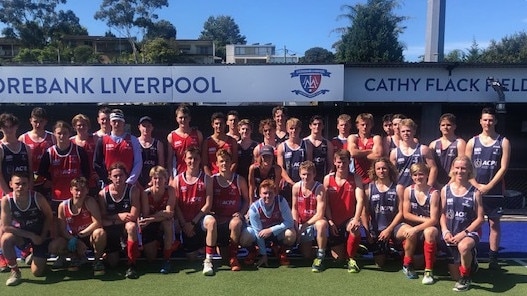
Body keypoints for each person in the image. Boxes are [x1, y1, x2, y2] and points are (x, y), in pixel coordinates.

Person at [465, 107, 510, 270]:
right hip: (474, 190)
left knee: (494, 224)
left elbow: (503, 167)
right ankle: (470, 253)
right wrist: (477, 185)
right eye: (485, 119)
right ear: (480, 121)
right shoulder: (472, 141)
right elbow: (466, 167)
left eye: (491, 120)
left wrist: (489, 186)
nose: (488, 123)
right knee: (471, 222)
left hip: (495, 191)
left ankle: (493, 258)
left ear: (495, 121)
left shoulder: (503, 141)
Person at [440, 156, 484, 292]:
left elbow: (480, 219)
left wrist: (464, 234)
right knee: (454, 275)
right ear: (452, 169)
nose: (460, 171)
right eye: (457, 168)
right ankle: (472, 260)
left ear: (470, 170)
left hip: (469, 232)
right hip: (451, 231)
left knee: (463, 247)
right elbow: (441, 214)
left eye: (463, 168)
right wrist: (445, 231)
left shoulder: (475, 192)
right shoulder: (445, 190)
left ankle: (465, 278)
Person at [1, 172, 53, 286]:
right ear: (11, 184)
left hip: (39, 234)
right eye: (17, 184)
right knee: (5, 239)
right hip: (24, 235)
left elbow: (49, 216)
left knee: (37, 273)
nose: (21, 187)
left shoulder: (37, 197)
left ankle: (34, 254)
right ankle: (15, 271)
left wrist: (42, 236)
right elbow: (5, 226)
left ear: (29, 184)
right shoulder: (6, 200)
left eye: (24, 184)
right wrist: (30, 235)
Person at [173, 146, 217, 276]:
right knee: (191, 258)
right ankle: (200, 248)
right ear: (184, 160)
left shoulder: (207, 179)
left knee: (212, 222)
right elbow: (176, 206)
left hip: (199, 220)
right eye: (190, 158)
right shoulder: (177, 180)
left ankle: (208, 260)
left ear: (200, 160)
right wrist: (184, 224)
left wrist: (192, 223)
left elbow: (208, 205)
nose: (193, 161)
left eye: (196, 158)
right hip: (184, 223)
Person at [48, 177, 106, 275]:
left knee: (100, 233)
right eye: (76, 190)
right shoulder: (63, 206)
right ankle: (74, 257)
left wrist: (79, 237)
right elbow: (62, 230)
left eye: (82, 190)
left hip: (89, 236)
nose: (79, 193)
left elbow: (97, 223)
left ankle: (96, 260)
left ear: (87, 190)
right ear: (71, 190)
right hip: (73, 237)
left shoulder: (90, 201)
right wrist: (75, 240)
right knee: (53, 247)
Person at [396, 163, 440, 284]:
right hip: (411, 225)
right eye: (415, 175)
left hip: (427, 228)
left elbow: (434, 220)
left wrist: (419, 227)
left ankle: (428, 271)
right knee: (408, 231)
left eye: (421, 174)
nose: (418, 177)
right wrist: (425, 220)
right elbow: (406, 214)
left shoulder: (434, 193)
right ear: (411, 176)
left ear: (426, 175)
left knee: (429, 231)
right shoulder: (408, 190)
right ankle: (407, 264)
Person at [324, 149, 365, 273]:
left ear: (349, 162)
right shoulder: (328, 179)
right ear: (334, 162)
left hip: (348, 219)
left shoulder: (355, 178)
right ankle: (353, 247)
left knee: (355, 228)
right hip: (333, 221)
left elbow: (360, 199)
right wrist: (330, 221)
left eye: (344, 162)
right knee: (338, 258)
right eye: (339, 162)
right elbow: (325, 203)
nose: (341, 165)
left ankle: (351, 258)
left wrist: (357, 218)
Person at [98, 162, 141, 279]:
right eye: (115, 176)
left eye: (121, 175)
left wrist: (112, 219)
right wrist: (118, 216)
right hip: (112, 228)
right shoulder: (103, 194)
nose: (118, 178)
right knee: (113, 264)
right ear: (109, 177)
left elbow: (133, 215)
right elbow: (102, 216)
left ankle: (132, 264)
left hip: (124, 225)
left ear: (126, 176)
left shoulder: (133, 190)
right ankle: (113, 251)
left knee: (131, 226)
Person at [38, 121, 90, 215]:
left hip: (76, 195)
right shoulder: (49, 152)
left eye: (65, 133)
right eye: (59, 133)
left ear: (70, 133)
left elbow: (87, 173)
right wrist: (52, 178)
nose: (62, 136)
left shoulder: (79, 151)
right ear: (54, 134)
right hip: (57, 195)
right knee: (57, 224)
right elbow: (41, 171)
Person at [211, 149, 250, 271]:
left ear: (231, 162)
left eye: (226, 161)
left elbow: (247, 200)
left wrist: (241, 213)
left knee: (236, 223)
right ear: (216, 163)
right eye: (221, 161)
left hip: (233, 220)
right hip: (219, 221)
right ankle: (213, 252)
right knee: (223, 256)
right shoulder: (212, 180)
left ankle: (234, 257)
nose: (224, 164)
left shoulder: (239, 180)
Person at [245, 179, 296, 267]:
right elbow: (258, 233)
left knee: (291, 234)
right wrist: (263, 255)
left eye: (270, 193)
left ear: (275, 193)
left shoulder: (281, 201)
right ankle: (254, 251)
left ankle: (280, 251)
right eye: (265, 193)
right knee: (245, 236)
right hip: (260, 235)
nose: (268, 196)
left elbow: (289, 222)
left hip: (276, 233)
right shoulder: (254, 208)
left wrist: (271, 230)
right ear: (260, 194)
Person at [362, 157, 402, 268]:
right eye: (378, 168)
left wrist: (389, 229)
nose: (381, 171)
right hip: (376, 230)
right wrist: (367, 231)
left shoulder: (398, 188)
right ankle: (389, 250)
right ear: (374, 170)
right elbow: (364, 212)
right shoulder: (368, 188)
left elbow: (401, 212)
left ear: (389, 169)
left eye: (384, 168)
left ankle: (402, 252)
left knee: (408, 234)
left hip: (394, 228)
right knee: (380, 263)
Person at [291, 161, 328, 272]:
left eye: (309, 174)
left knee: (321, 224)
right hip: (302, 222)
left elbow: (320, 214)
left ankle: (321, 255)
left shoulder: (319, 188)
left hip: (315, 221)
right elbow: (294, 208)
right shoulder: (296, 187)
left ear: (314, 174)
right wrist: (296, 225)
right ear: (299, 174)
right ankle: (324, 249)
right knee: (306, 255)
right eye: (303, 174)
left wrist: (304, 226)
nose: (306, 177)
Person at [139, 166, 177, 274]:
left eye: (160, 178)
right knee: (151, 258)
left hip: (159, 221)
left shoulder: (170, 190)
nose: (157, 181)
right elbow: (146, 215)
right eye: (155, 178)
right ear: (151, 179)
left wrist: (152, 218)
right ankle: (158, 243)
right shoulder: (146, 193)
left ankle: (167, 260)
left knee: (168, 223)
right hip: (150, 224)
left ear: (165, 179)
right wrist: (160, 214)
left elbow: (169, 214)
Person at [93, 109, 142, 186]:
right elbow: (97, 163)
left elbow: (138, 162)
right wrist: (107, 180)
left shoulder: (133, 140)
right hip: (109, 184)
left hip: (129, 183)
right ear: (110, 122)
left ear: (124, 122)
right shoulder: (102, 140)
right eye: (114, 121)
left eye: (119, 121)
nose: (116, 124)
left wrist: (130, 181)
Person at [390, 118, 437, 198]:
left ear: (414, 131)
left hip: (419, 190)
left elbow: (433, 168)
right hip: (400, 189)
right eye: (403, 131)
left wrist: (428, 187)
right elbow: (391, 173)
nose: (406, 133)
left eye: (408, 131)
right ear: (400, 133)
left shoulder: (423, 149)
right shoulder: (395, 152)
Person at [18, 107, 55, 196]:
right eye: (35, 121)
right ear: (30, 120)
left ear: (46, 121)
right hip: (28, 182)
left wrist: (50, 180)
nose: (38, 125)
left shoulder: (52, 137)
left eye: (41, 121)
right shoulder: (23, 138)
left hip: (47, 182)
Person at [277, 117, 312, 205]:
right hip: (287, 184)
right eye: (291, 128)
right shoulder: (282, 146)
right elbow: (280, 167)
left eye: (296, 128)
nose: (294, 131)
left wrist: (304, 181)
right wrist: (290, 182)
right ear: (287, 129)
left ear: (300, 129)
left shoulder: (306, 145)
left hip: (303, 183)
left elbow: (310, 165)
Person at [167, 103, 203, 181]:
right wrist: (170, 178)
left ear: (189, 118)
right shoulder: (171, 136)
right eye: (181, 117)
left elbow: (201, 156)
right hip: (178, 174)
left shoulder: (198, 134)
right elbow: (169, 160)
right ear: (176, 119)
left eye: (185, 117)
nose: (183, 120)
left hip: (196, 175)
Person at [429, 113, 466, 188]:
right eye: (443, 125)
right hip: (436, 183)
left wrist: (449, 184)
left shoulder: (460, 143)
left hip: (454, 183)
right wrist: (435, 183)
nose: (445, 127)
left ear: (454, 127)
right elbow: (430, 167)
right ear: (440, 127)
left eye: (448, 125)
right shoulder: (433, 144)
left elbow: (461, 166)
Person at [0, 113, 32, 195]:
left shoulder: (26, 147)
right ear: (1, 129)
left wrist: (30, 191)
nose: (9, 130)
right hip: (6, 194)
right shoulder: (1, 148)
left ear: (16, 127)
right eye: (5, 127)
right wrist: (9, 195)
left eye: (11, 127)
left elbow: (30, 171)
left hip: (24, 193)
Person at [348, 113, 383, 185]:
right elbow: (352, 153)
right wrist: (370, 151)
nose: (365, 127)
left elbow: (377, 156)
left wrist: (360, 154)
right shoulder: (353, 137)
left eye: (367, 124)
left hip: (372, 178)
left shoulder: (375, 138)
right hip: (356, 177)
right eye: (362, 125)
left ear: (371, 125)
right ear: (357, 125)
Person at [71, 114, 100, 196]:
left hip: (92, 179)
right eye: (79, 125)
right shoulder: (70, 142)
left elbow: (102, 158)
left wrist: (99, 173)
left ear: (88, 126)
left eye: (84, 125)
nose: (81, 127)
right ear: (74, 127)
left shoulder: (95, 139)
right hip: (76, 180)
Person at [202, 112, 238, 176]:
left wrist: (228, 175)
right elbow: (205, 164)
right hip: (212, 177)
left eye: (221, 124)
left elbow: (235, 162)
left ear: (225, 124)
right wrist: (211, 178)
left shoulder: (232, 141)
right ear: (212, 125)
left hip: (228, 178)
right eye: (216, 123)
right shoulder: (207, 142)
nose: (219, 126)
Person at [137, 116, 165, 189]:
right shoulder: (134, 143)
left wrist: (153, 181)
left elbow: (161, 166)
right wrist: (136, 182)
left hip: (154, 182)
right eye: (144, 126)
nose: (146, 128)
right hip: (137, 182)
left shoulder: (158, 144)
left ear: (152, 128)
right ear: (139, 127)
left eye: (149, 126)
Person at [304, 115, 334, 183]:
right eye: (314, 124)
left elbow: (330, 165)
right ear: (310, 126)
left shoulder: (328, 144)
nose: (317, 126)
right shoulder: (303, 142)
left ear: (323, 126)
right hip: (306, 179)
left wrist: (328, 179)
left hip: (322, 179)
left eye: (319, 124)